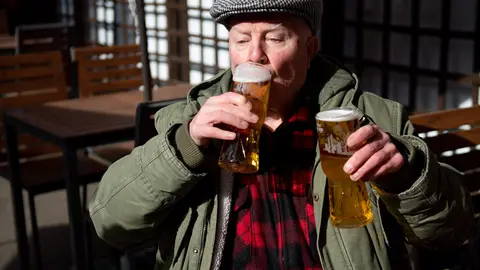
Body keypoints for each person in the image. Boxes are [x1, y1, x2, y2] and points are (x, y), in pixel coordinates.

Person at [89, 0, 475, 269]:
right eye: (241, 40)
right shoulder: (190, 120)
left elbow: (451, 232)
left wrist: (404, 176)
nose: (254, 56)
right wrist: (185, 147)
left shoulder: (373, 119)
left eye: (274, 38)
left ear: (310, 49)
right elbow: (110, 223)